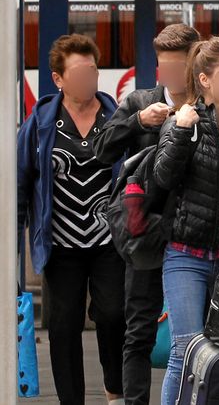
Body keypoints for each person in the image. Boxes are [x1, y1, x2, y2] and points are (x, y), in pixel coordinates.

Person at [93, 23, 200, 405]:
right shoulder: (140, 102)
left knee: (198, 337)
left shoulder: (209, 104)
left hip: (194, 235)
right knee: (138, 332)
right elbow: (102, 149)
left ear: (195, 64)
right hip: (146, 235)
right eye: (163, 69)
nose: (169, 77)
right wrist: (138, 122)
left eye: (177, 68)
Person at [17, 34, 126, 405]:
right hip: (59, 243)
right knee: (63, 327)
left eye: (92, 71)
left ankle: (115, 388)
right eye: (78, 73)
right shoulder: (41, 124)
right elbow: (21, 180)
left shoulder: (117, 119)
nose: (88, 80)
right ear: (58, 79)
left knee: (112, 314)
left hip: (108, 240)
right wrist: (15, 240)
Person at [154, 36, 219, 404]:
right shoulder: (184, 124)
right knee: (185, 350)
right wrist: (181, 132)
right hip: (188, 256)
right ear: (205, 80)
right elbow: (163, 179)